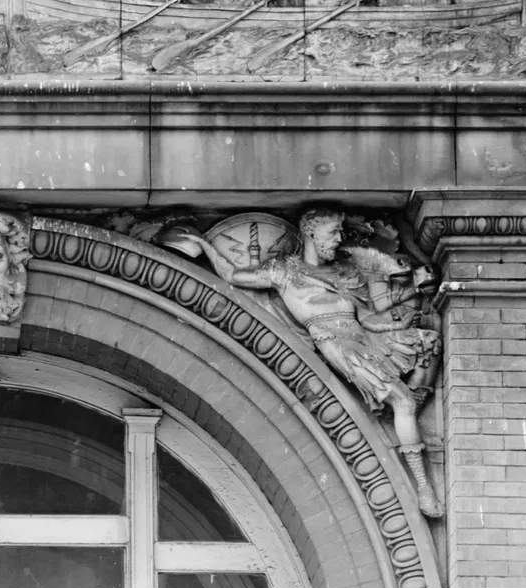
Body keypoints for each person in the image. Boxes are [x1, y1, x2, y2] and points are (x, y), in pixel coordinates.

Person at [166, 208, 443, 518]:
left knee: (428, 341)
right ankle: (422, 486)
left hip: (365, 340)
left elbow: (367, 318)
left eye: (339, 233)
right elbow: (233, 276)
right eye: (332, 233)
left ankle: (410, 437)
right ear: (311, 233)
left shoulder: (344, 274)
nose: (338, 240)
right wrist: (205, 246)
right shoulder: (284, 270)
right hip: (339, 346)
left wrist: (401, 312)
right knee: (402, 401)